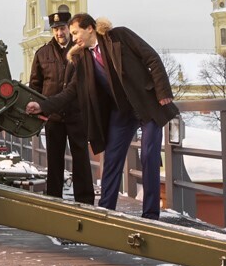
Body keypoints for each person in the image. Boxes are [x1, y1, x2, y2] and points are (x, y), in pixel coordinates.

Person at [26, 13, 178, 219]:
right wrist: (42, 106)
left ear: (90, 28)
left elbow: (151, 57)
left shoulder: (120, 36)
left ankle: (150, 214)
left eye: (75, 32)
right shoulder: (83, 58)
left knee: (149, 157)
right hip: (122, 111)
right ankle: (105, 211)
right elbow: (71, 91)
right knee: (112, 158)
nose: (73, 37)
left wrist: (163, 93)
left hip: (146, 104)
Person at [28, 11, 94, 204]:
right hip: (53, 117)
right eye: (55, 29)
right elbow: (35, 85)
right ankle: (54, 200)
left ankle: (85, 201)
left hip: (76, 114)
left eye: (63, 28)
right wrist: (38, 111)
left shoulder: (81, 51)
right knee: (54, 162)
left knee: (81, 160)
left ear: (69, 29)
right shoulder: (42, 53)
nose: (59, 33)